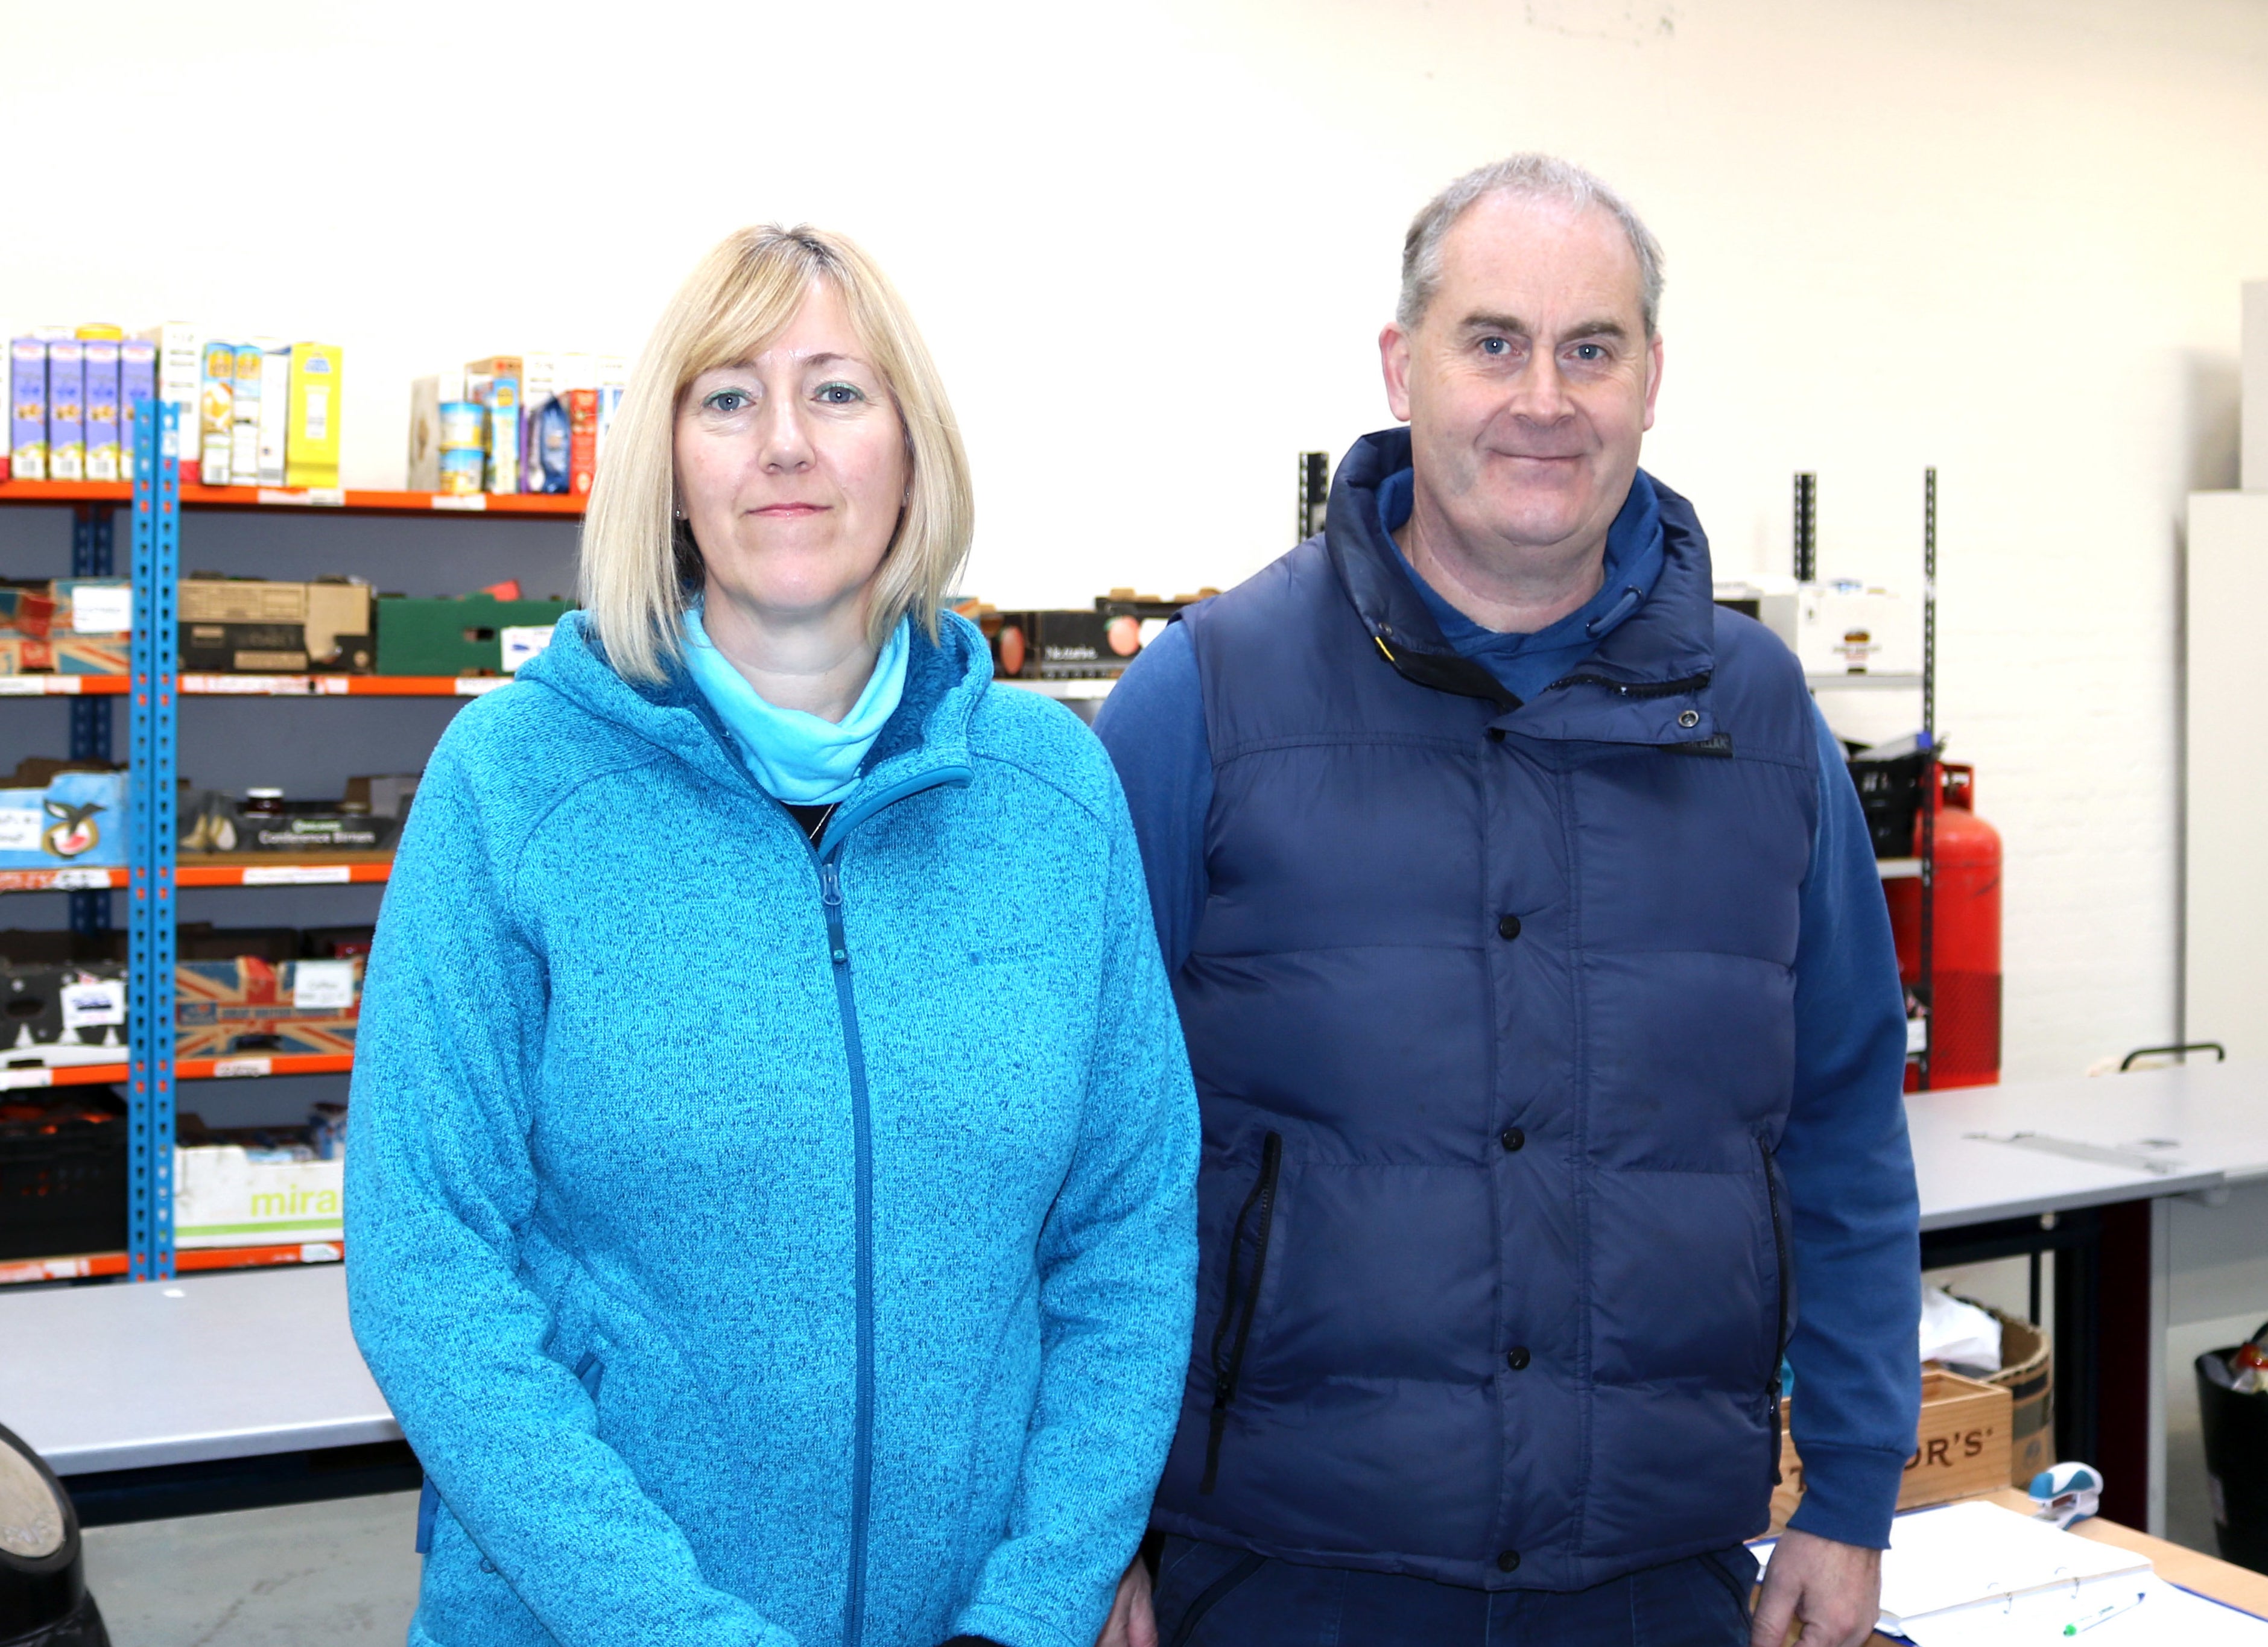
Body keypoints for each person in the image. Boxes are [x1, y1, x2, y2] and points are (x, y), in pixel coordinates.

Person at [1093, 156, 1922, 1647]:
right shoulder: (1203, 698)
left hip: (1655, 1583)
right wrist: (1086, 1531)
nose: (1543, 398)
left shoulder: (1754, 718)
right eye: (1492, 342)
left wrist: (1851, 1488)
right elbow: (1073, 1149)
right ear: (1402, 366)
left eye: (1589, 348)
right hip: (1282, 1579)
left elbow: (1846, 1125)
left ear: (1650, 379)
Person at [346, 224, 1200, 1647]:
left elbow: (1128, 1227)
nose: (784, 444)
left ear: (911, 451)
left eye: (838, 393)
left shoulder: (1053, 795)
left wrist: (1040, 1600)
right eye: (728, 397)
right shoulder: (512, 785)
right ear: (668, 464)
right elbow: (426, 1267)